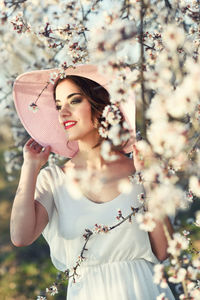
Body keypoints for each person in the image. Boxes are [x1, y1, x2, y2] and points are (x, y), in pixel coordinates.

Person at [10, 65, 175, 300]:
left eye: (74, 101)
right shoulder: (53, 180)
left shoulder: (137, 169)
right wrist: (30, 167)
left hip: (143, 290)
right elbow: (20, 236)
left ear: (99, 106)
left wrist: (150, 181)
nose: (62, 113)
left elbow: (163, 250)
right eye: (58, 106)